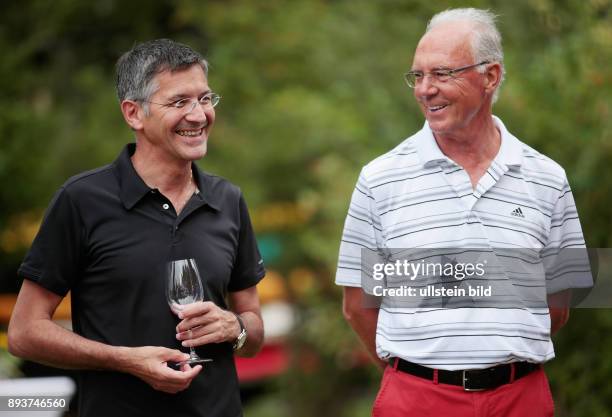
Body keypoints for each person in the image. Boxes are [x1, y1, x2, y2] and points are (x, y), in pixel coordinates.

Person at [336, 8, 588, 417]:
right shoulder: (378, 179)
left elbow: (557, 304)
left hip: (519, 398)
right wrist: (416, 372)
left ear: (490, 76)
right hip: (415, 399)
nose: (424, 89)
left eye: (442, 73)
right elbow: (358, 305)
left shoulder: (548, 178)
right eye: (417, 76)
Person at [8, 39, 265, 417]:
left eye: (205, 99)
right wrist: (125, 360)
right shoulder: (82, 200)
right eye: (180, 102)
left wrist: (235, 327)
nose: (199, 115)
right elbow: (24, 333)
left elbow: (254, 331)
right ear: (134, 114)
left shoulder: (228, 200)